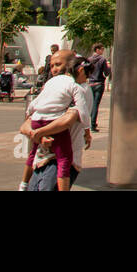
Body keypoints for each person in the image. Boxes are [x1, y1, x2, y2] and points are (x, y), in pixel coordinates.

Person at [23, 54, 94, 190]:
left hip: (58, 161)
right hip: (42, 159)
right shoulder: (55, 86)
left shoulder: (79, 89)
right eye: (51, 66)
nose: (55, 70)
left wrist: (38, 132)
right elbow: (27, 121)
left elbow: (68, 120)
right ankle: (24, 183)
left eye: (59, 65)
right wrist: (38, 135)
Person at [85, 43, 111, 131]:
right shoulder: (102, 60)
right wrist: (109, 67)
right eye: (102, 49)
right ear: (97, 50)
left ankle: (88, 124)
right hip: (99, 83)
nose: (103, 51)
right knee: (96, 104)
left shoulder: (89, 59)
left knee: (90, 104)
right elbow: (106, 73)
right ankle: (92, 124)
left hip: (91, 83)